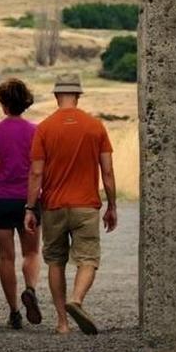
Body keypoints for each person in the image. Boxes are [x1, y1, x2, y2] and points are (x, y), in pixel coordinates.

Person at [24, 73, 118, 335]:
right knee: (87, 258)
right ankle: (76, 299)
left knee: (56, 261)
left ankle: (63, 323)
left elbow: (35, 173)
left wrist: (31, 208)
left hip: (53, 206)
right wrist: (112, 205)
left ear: (56, 96)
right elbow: (107, 172)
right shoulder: (96, 126)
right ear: (78, 96)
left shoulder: (44, 128)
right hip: (86, 206)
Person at [0, 78, 43, 329]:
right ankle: (30, 289)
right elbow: (39, 169)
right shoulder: (36, 132)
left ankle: (14, 311)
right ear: (24, 102)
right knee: (32, 252)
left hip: (0, 199)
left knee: (6, 257)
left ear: (3, 103)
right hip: (28, 199)